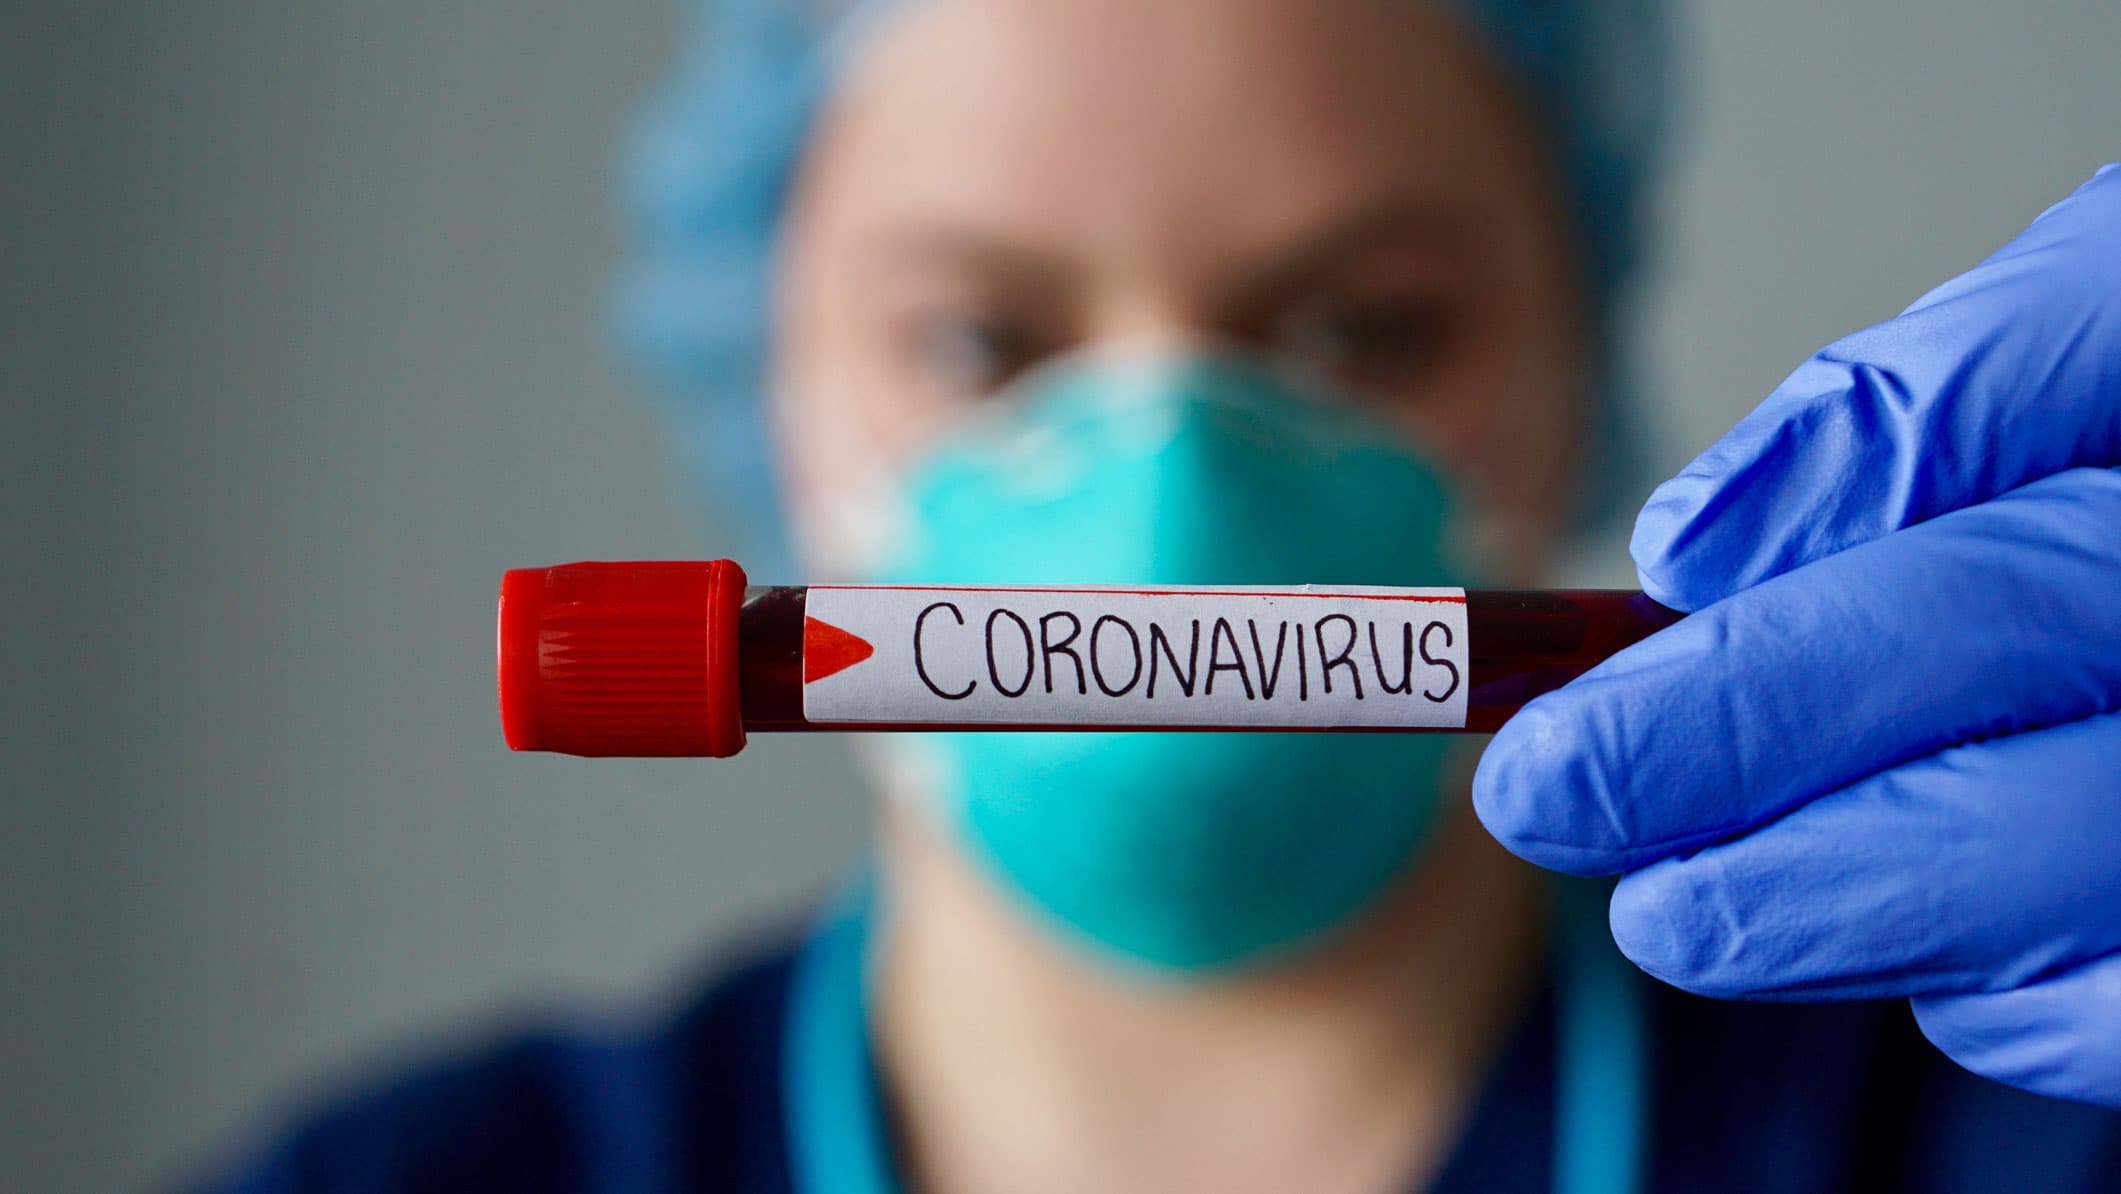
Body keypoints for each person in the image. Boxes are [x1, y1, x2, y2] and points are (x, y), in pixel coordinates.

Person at [187, 1, 2121, 1191]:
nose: (1171, 473)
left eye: (1365, 326)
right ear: (765, 383)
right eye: (975, 336)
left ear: (1575, 356)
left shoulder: (2017, 1118)